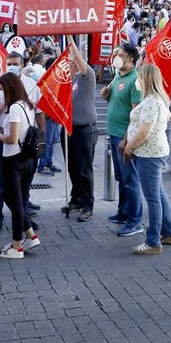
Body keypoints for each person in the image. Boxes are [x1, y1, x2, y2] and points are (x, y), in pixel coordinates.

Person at [121, 63, 171, 255]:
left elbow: (144, 131)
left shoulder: (152, 101)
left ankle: (153, 242)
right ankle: (168, 232)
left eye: (139, 77)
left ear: (146, 79)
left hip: (149, 154)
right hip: (152, 152)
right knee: (158, 194)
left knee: (153, 198)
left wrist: (129, 146)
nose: (137, 80)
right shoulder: (154, 99)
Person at [0, 73, 41, 259]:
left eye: (3, 89)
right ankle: (30, 235)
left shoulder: (14, 108)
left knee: (15, 201)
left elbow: (12, 138)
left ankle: (16, 246)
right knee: (14, 200)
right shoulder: (27, 105)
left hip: (12, 158)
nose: (2, 93)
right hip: (25, 158)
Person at [102, 43, 144, 236]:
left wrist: (126, 140)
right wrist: (106, 96)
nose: (117, 57)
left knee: (131, 179)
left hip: (124, 136)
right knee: (121, 177)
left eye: (120, 55)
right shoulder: (119, 75)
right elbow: (116, 101)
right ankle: (123, 212)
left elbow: (136, 114)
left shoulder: (135, 80)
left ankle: (135, 221)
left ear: (131, 59)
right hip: (114, 133)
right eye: (117, 54)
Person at [62, 36, 97, 222]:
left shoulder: (87, 76)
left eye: (71, 61)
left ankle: (87, 205)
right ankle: (76, 199)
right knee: (73, 168)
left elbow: (76, 55)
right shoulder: (71, 82)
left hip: (85, 130)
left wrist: (68, 36)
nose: (69, 63)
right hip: (69, 130)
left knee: (84, 169)